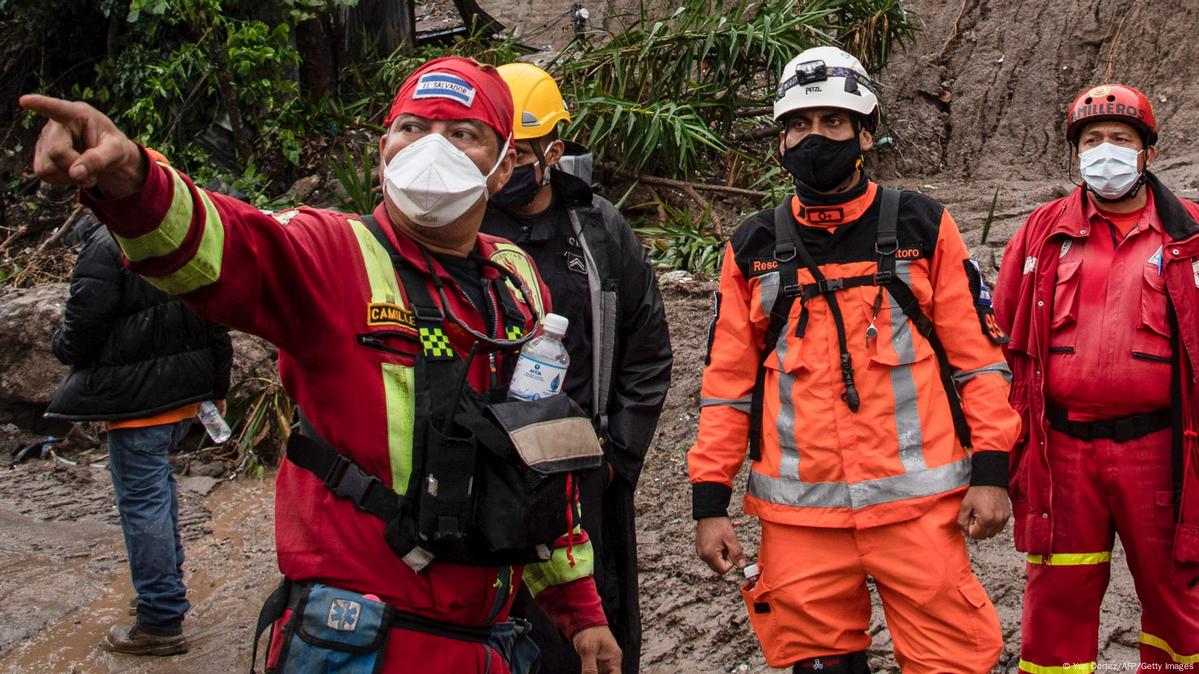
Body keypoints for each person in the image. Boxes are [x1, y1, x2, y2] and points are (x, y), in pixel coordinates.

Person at [22, 56, 622, 674]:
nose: (430, 149)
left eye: (463, 133)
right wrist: (131, 182)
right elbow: (225, 248)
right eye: (411, 128)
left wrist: (581, 613)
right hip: (356, 641)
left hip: (487, 643)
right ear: (383, 149)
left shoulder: (516, 281)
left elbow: (536, 461)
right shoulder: (333, 252)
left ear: (503, 169)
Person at [688, 46, 1020, 674]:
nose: (815, 138)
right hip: (799, 525)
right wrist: (709, 504)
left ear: (866, 133)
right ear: (781, 139)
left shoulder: (925, 227)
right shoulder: (752, 246)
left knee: (952, 663)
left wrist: (993, 473)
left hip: (919, 516)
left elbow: (978, 362)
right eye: (799, 125)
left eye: (833, 123)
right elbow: (726, 387)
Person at [994, 83, 1199, 672]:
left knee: (1177, 594)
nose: (1104, 152)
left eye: (1120, 139)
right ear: (1075, 154)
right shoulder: (1041, 232)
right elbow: (1000, 335)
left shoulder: (1188, 236)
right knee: (1057, 598)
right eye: (1092, 141)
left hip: (1160, 451)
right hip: (1061, 453)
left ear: (1147, 154)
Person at [482, 62, 672, 674]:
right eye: (495, 150)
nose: (503, 167)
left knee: (590, 628)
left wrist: (620, 452)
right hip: (482, 466)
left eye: (519, 151)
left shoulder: (597, 228)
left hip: (581, 469)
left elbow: (647, 345)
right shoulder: (461, 227)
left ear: (552, 152)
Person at [44, 169, 233, 655]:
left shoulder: (107, 246)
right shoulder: (181, 236)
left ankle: (160, 620)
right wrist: (218, 386)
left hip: (135, 402)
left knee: (142, 501)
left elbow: (83, 323)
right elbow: (216, 313)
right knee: (158, 490)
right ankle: (164, 590)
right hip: (185, 394)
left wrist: (61, 347)